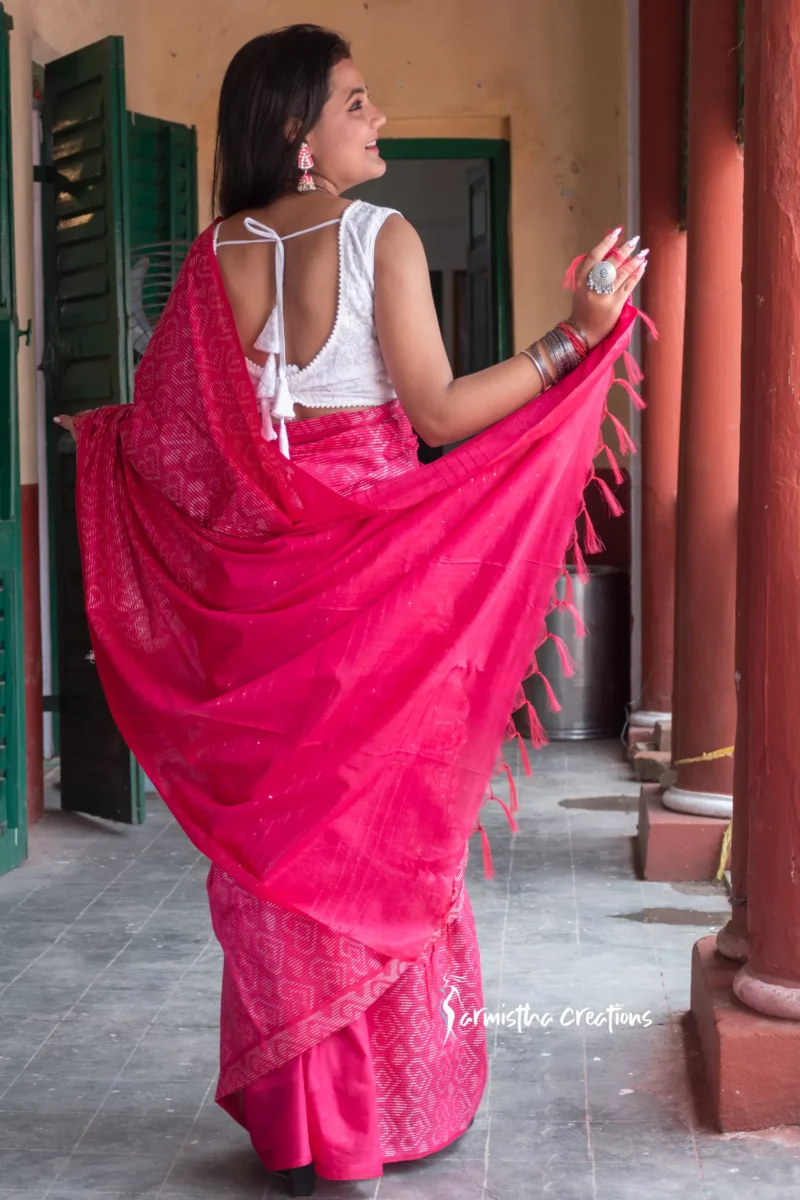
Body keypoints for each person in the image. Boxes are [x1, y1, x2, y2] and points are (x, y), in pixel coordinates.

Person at [56, 23, 645, 1198]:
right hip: (378, 596)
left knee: (280, 853)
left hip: (262, 609)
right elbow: (431, 414)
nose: (376, 121)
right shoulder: (381, 237)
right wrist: (570, 342)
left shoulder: (210, 255)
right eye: (358, 105)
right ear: (298, 133)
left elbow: (177, 457)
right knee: (380, 838)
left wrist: (106, 446)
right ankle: (378, 1117)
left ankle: (310, 1129)